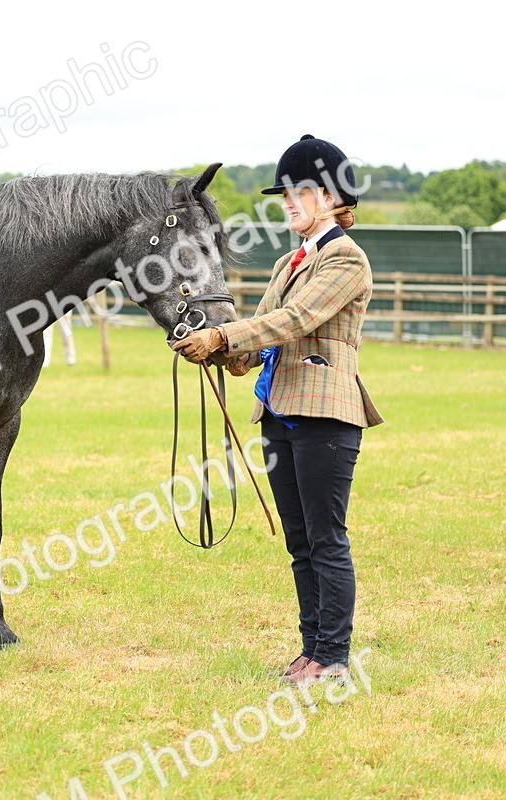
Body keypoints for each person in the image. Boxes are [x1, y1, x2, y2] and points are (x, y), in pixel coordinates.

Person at [171, 135, 383, 684]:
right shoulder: (290, 261)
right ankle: (311, 649)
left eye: (300, 192)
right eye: (285, 194)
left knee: (325, 537)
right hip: (280, 411)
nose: (288, 203)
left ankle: (334, 657)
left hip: (326, 413)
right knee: (299, 541)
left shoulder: (346, 259)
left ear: (334, 198)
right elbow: (261, 336)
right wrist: (220, 353)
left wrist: (223, 334)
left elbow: (294, 322)